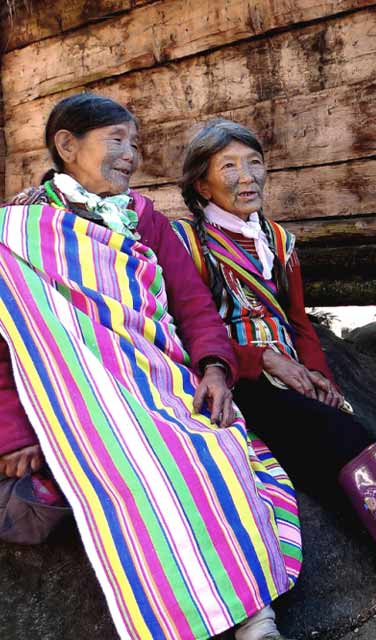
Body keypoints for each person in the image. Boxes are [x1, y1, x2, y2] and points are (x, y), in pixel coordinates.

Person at [0, 94, 297, 640]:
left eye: (133, 144)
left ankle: (257, 618)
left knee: (220, 452)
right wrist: (14, 433)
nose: (130, 156)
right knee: (143, 470)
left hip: (157, 376)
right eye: (116, 140)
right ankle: (179, 618)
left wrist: (213, 368)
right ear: (67, 145)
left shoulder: (143, 218)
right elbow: (6, 341)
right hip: (79, 399)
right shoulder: (16, 230)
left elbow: (191, 303)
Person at [171, 118, 376, 590]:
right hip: (236, 375)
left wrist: (319, 374)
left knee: (333, 426)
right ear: (202, 183)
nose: (247, 177)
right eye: (230, 166)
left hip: (290, 374)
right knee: (334, 434)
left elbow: (299, 321)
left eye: (255, 163)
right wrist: (260, 359)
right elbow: (188, 325)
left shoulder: (278, 241)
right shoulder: (188, 244)